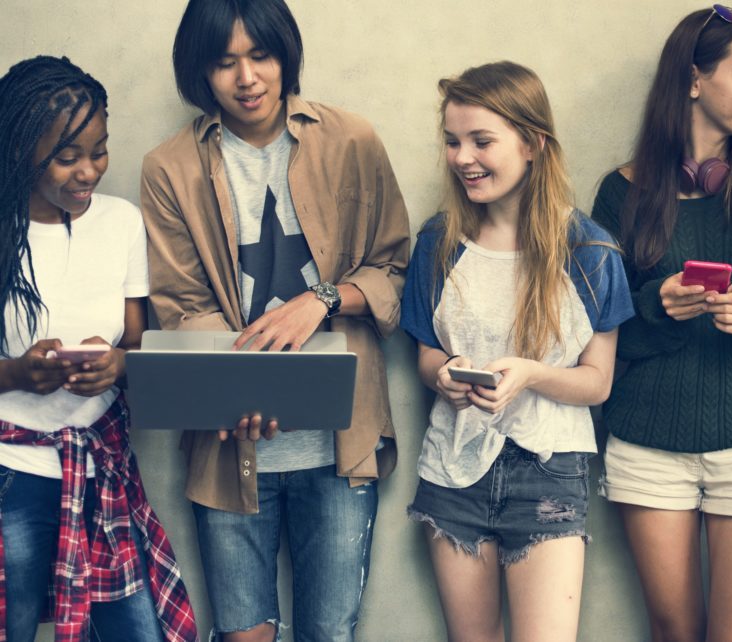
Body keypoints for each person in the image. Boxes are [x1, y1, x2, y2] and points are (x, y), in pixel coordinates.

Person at [139, 0, 410, 639]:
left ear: (285, 53)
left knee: (330, 633)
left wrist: (321, 299)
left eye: (260, 55)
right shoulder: (169, 168)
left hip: (339, 444)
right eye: (224, 61)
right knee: (242, 634)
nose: (247, 77)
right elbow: (180, 305)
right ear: (200, 72)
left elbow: (393, 268)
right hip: (228, 446)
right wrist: (245, 389)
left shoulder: (352, 139)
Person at [590, 6, 732, 641]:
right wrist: (657, 306)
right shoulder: (621, 191)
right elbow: (597, 332)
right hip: (648, 446)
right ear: (694, 79)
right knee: (674, 633)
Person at [400, 61, 634, 642]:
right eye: (453, 142)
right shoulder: (437, 242)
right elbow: (426, 357)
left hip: (551, 473)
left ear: (533, 143)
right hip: (454, 473)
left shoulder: (591, 251)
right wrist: (445, 376)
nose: (462, 158)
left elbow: (598, 382)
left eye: (482, 141)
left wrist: (530, 374)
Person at [0, 56, 197, 642]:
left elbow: (136, 346)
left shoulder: (121, 222)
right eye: (67, 157)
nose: (89, 171)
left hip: (102, 469)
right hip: (16, 472)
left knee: (134, 630)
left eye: (99, 150)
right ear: (18, 150)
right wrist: (16, 373)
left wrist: (115, 366)